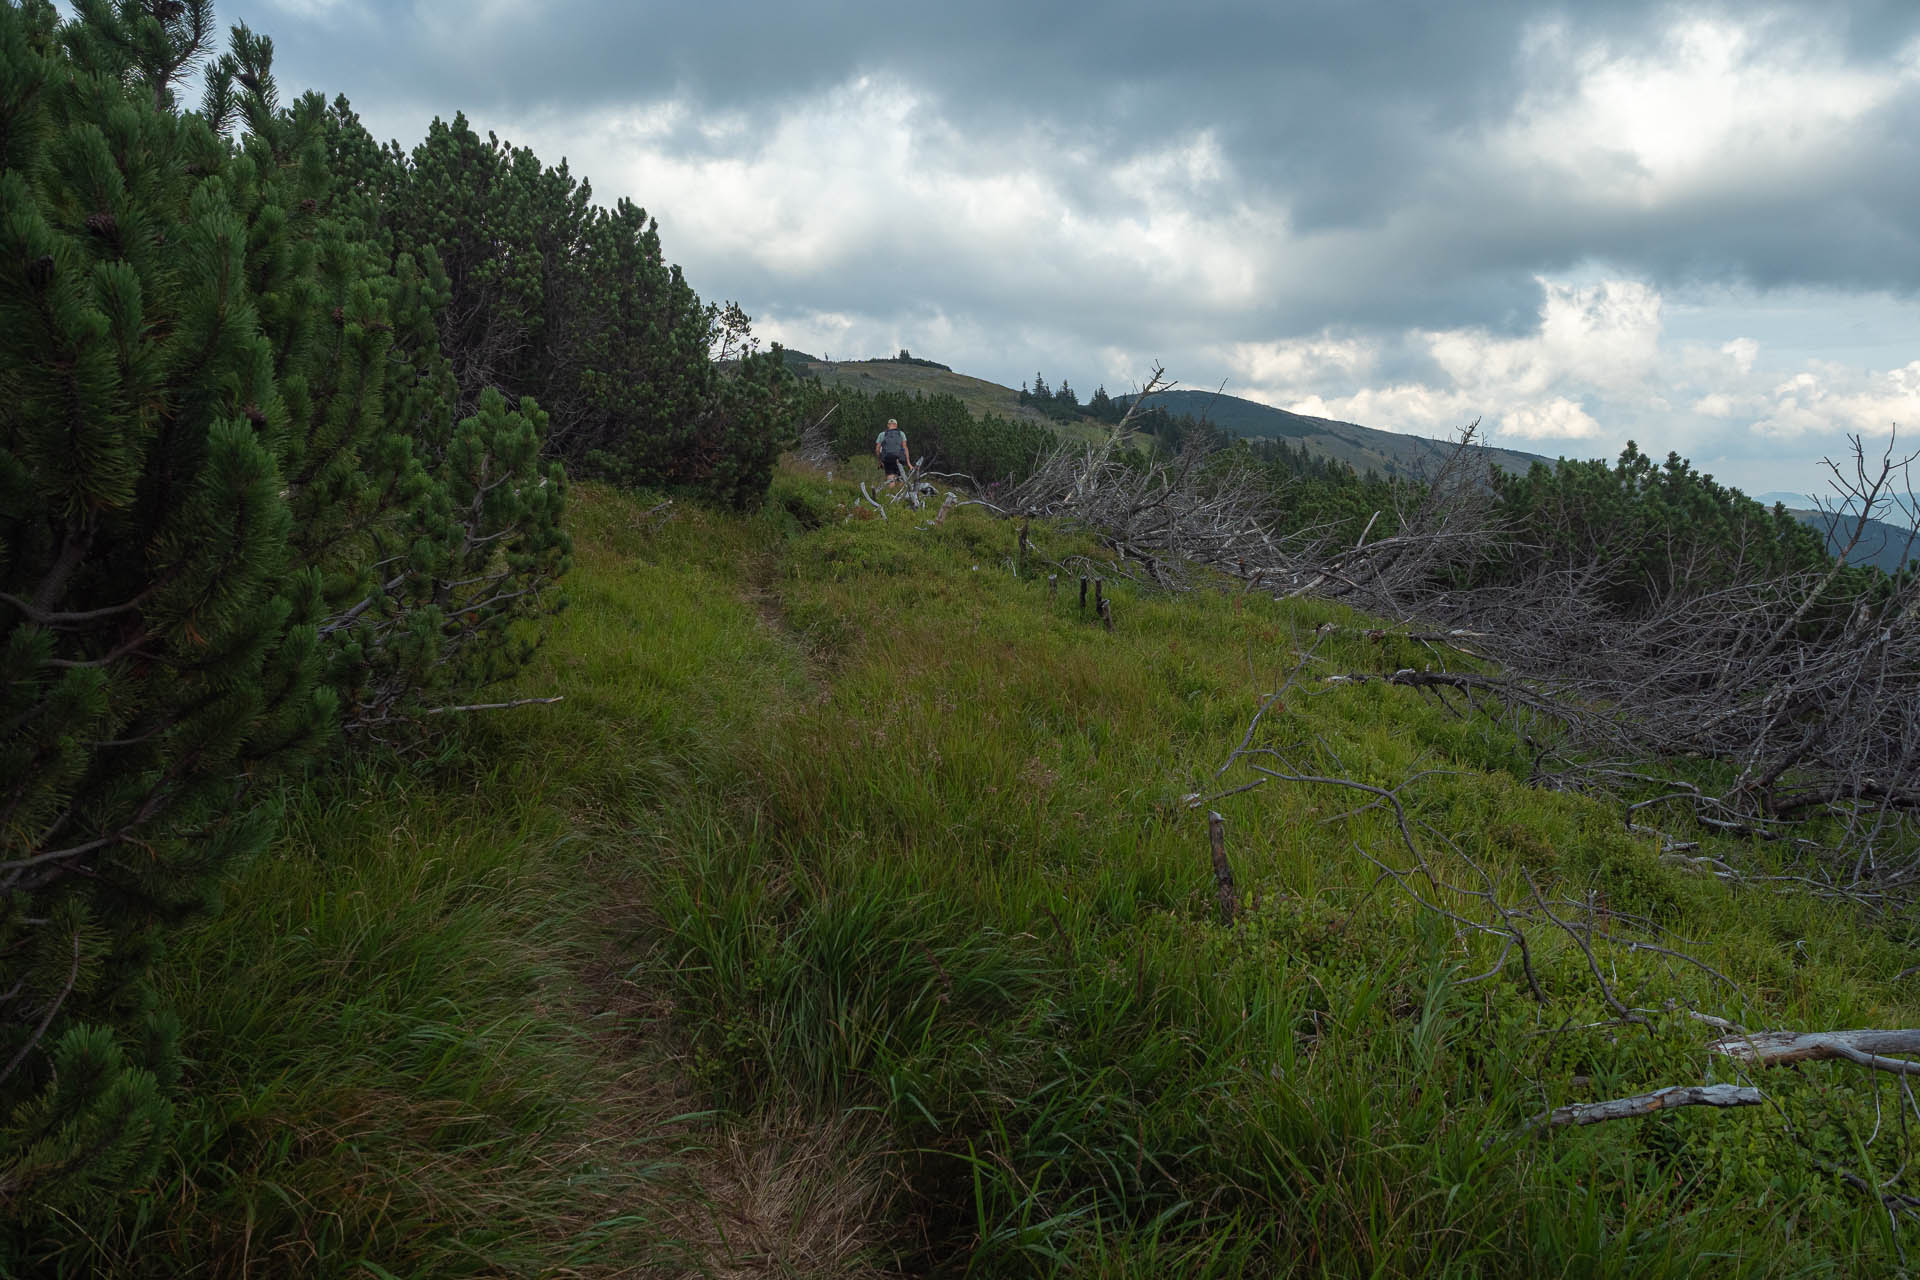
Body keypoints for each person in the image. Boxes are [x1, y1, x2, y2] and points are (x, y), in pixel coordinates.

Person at [874, 418, 912, 486]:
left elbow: (877, 449)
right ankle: (900, 494)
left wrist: (880, 461)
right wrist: (908, 463)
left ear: (888, 425)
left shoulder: (882, 434)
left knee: (890, 478)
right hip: (899, 459)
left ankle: (891, 495)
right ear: (896, 425)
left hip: (887, 459)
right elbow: (905, 448)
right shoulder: (901, 434)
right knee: (901, 478)